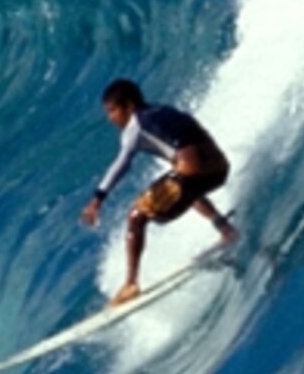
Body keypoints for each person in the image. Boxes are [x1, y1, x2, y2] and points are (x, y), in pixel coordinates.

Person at [80, 78, 241, 306]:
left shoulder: (135, 127)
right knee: (185, 190)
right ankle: (226, 230)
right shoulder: (162, 110)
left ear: (129, 105)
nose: (111, 118)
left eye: (112, 110)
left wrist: (97, 199)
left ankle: (130, 284)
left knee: (136, 216)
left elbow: (121, 163)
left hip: (193, 172)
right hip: (218, 168)